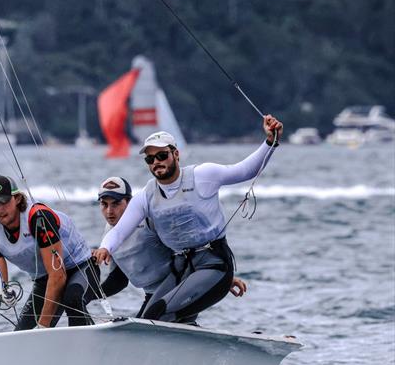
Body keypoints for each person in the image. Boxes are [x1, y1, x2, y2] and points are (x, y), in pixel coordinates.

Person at [94, 114, 282, 323]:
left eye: (162, 155)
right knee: (149, 318)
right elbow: (119, 230)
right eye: (150, 159)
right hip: (181, 268)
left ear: (176, 154)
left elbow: (246, 170)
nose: (156, 162)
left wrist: (269, 141)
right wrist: (105, 248)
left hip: (214, 264)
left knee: (159, 315)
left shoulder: (203, 175)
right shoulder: (146, 195)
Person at [92, 176, 247, 318]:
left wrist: (220, 279)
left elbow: (187, 249)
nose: (109, 211)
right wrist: (87, 295)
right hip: (154, 295)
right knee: (144, 326)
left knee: (153, 322)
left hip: (183, 286)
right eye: (104, 205)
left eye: (116, 204)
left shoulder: (149, 222)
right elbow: (118, 280)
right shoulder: (109, 236)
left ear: (130, 202)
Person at [0, 174, 99, 330]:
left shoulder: (39, 218)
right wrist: (3, 289)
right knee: (23, 334)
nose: (0, 209)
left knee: (72, 299)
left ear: (17, 199)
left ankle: (86, 347)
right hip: (44, 279)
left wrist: (43, 326)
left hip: (80, 267)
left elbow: (58, 275)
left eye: (4, 201)